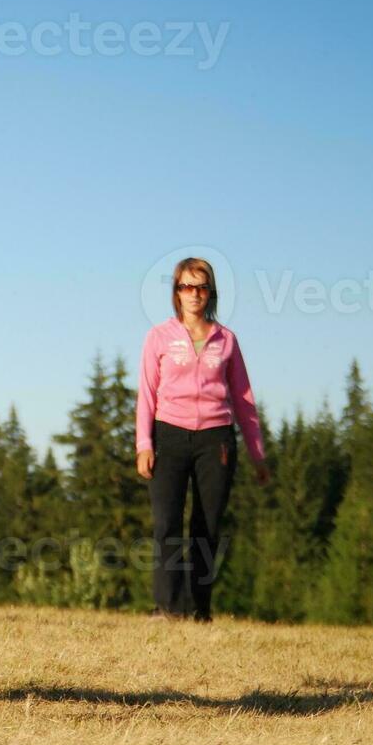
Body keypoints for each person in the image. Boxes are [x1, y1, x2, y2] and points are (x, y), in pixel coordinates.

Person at [136, 256, 270, 622]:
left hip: (217, 440)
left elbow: (244, 400)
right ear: (176, 293)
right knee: (166, 522)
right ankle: (168, 607)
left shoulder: (227, 340)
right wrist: (144, 445)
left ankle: (199, 609)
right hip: (169, 435)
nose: (193, 294)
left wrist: (258, 455)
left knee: (206, 527)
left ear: (210, 292)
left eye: (200, 286)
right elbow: (147, 393)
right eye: (186, 287)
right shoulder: (159, 337)